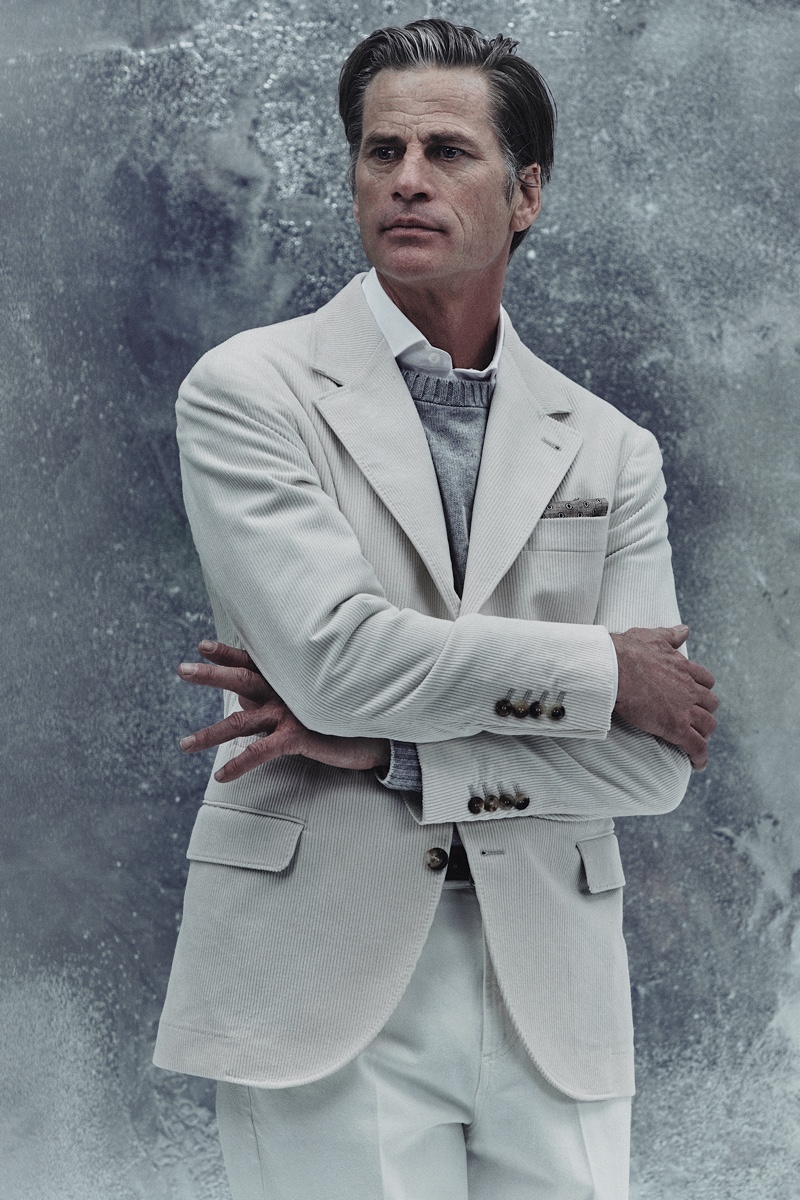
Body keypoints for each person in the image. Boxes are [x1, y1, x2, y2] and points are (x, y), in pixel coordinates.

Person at [153, 19, 718, 1200]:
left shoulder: (608, 447)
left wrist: (394, 753)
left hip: (552, 991)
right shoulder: (251, 391)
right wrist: (604, 673)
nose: (406, 178)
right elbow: (337, 662)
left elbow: (652, 763)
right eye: (381, 151)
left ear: (525, 195)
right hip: (315, 980)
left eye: (447, 151)